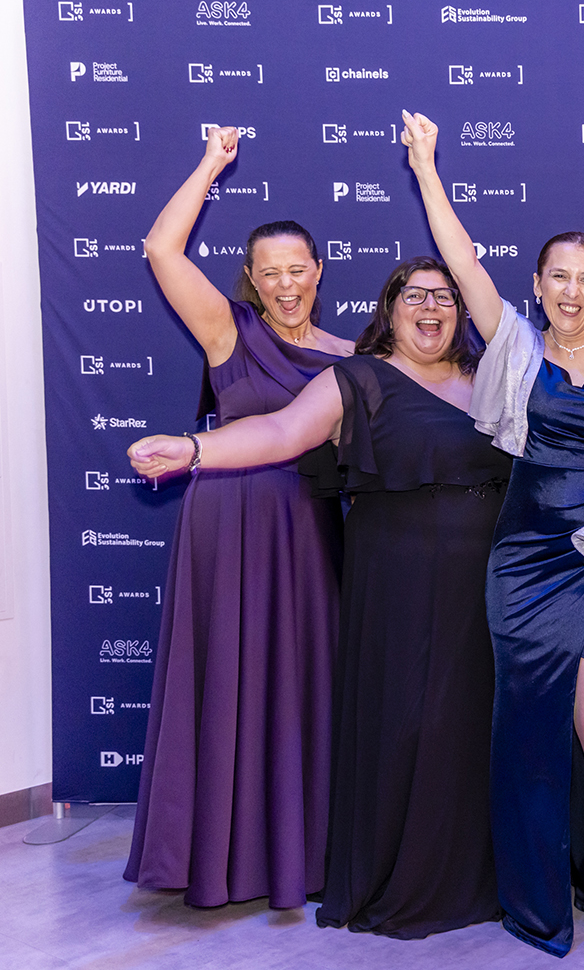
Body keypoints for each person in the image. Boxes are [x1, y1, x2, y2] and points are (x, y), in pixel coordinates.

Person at [126, 257, 510, 937]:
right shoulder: (355, 379)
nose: (430, 308)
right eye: (414, 295)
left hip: (482, 586)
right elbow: (278, 433)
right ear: (389, 309)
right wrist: (193, 448)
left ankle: (475, 874)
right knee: (405, 725)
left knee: (468, 725)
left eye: (445, 297)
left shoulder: (490, 379)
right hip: (396, 581)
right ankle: (400, 878)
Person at [402, 111, 584, 955]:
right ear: (539, 283)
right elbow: (460, 262)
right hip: (524, 561)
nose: (569, 291)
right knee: (525, 728)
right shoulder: (517, 347)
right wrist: (425, 168)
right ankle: (536, 900)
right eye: (556, 277)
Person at [124, 126, 352, 910]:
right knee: (222, 685)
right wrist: (212, 163)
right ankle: (212, 857)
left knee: (297, 689)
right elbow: (160, 247)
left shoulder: (351, 355)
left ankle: (297, 855)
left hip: (308, 537)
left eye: (299, 271)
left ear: (319, 273)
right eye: (270, 274)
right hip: (224, 529)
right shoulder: (232, 331)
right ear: (250, 280)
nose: (287, 285)